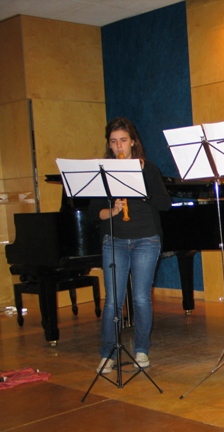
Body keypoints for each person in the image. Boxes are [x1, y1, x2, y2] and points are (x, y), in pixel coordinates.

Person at [90, 117, 172, 374]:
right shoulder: (103, 172)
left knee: (140, 298)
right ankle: (108, 353)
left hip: (146, 239)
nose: (119, 146)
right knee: (112, 301)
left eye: (123, 140)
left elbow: (165, 204)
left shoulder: (148, 169)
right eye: (114, 142)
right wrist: (113, 211)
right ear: (109, 145)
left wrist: (142, 192)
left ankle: (141, 350)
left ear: (133, 142)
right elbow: (95, 213)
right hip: (114, 240)